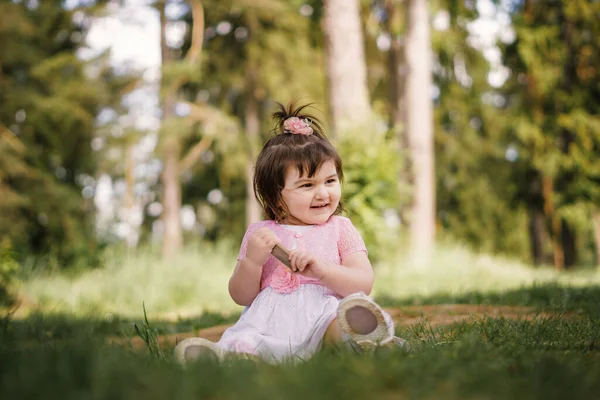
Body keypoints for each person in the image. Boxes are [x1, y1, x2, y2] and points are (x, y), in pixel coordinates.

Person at [175, 102, 407, 364]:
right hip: (272, 321)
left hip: (324, 315)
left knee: (340, 322)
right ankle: (230, 356)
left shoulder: (341, 228)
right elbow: (242, 296)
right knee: (251, 338)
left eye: (330, 181)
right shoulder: (261, 233)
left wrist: (323, 271)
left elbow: (363, 283)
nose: (323, 193)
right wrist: (252, 262)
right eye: (307, 185)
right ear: (276, 198)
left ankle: (360, 336)